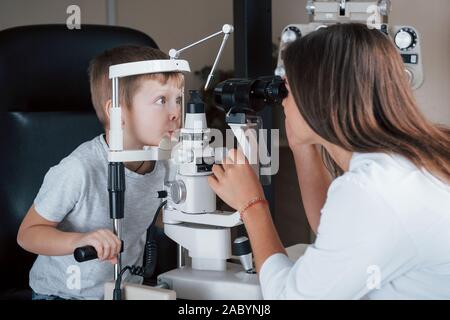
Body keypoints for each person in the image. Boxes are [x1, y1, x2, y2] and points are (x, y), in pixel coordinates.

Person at [208, 23, 450, 299]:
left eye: (287, 89)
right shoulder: (410, 159)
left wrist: (252, 205)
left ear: (318, 97)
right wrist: (302, 145)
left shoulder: (373, 189)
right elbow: (335, 235)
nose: (282, 101)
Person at [17, 46, 183, 300]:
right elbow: (27, 234)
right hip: (63, 295)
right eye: (161, 100)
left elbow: (156, 215)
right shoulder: (79, 169)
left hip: (126, 289)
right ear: (117, 112)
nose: (175, 113)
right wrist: (79, 240)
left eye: (178, 100)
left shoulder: (165, 163)